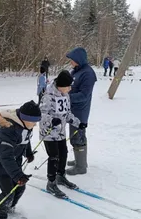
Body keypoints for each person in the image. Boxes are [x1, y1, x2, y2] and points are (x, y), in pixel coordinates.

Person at [0, 101, 41, 219]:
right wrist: (18, 175)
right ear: (25, 119)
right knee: (8, 192)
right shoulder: (9, 130)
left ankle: (8, 207)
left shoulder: (26, 126)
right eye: (34, 121)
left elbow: (25, 140)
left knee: (20, 188)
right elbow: (5, 156)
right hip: (0, 164)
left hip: (13, 161)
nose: (35, 124)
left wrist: (28, 153)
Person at [39, 70, 86, 198]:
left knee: (63, 154)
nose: (70, 89)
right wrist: (51, 120)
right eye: (68, 86)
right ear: (61, 85)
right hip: (48, 132)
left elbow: (67, 113)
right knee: (54, 156)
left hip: (60, 132)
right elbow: (41, 114)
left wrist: (78, 123)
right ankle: (51, 182)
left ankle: (60, 176)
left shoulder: (65, 95)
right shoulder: (48, 95)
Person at [65, 47, 97, 175]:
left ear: (79, 60)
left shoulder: (88, 74)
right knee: (76, 135)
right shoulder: (76, 71)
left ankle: (81, 167)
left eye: (72, 60)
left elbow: (84, 95)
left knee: (77, 136)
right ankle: (80, 160)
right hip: (73, 109)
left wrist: (67, 97)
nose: (70, 62)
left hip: (80, 111)